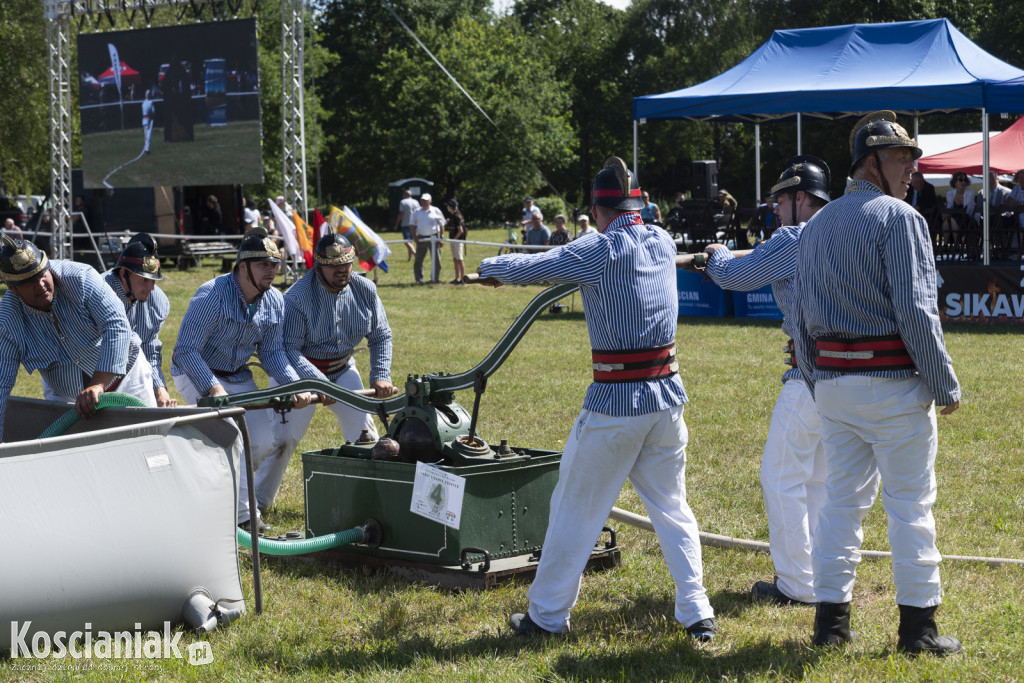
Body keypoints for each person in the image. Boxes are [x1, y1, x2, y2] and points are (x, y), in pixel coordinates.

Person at [477, 157, 716, 641]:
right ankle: (697, 612)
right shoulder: (662, 240)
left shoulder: (597, 249)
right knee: (673, 509)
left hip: (615, 405)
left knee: (574, 509)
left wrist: (491, 267)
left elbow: (540, 265)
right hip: (668, 400)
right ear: (639, 205)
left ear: (597, 209)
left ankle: (545, 617)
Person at [793, 111, 962, 656]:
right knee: (911, 505)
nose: (912, 168)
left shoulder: (816, 225)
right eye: (901, 158)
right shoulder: (900, 219)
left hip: (836, 384)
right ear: (871, 163)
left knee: (840, 505)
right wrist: (944, 383)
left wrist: (821, 382)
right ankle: (919, 632)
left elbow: (799, 316)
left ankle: (831, 626)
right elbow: (917, 313)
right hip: (892, 384)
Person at [680, 155, 832, 606]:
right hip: (848, 376)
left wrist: (715, 254)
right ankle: (823, 577)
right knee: (820, 481)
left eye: (781, 201)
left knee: (780, 476)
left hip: (809, 374)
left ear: (800, 197)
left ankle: (797, 586)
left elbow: (732, 276)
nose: (776, 211)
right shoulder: (845, 232)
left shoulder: (795, 236)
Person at [171, 227, 312, 532]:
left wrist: (293, 385)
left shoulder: (275, 301)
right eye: (265, 265)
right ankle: (242, 517)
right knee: (233, 440)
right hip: (196, 372)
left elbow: (273, 353)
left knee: (260, 442)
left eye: (275, 265)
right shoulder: (211, 295)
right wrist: (213, 387)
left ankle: (231, 507)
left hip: (237, 375)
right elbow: (185, 350)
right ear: (243, 266)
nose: (272, 271)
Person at [265, 234, 395, 508]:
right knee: (282, 441)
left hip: (342, 368)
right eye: (334, 265)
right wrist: (320, 384)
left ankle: (369, 499)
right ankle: (255, 506)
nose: (342, 270)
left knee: (366, 437)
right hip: (296, 375)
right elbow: (289, 349)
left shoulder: (365, 290)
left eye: (347, 263)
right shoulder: (297, 297)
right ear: (318, 266)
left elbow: (381, 335)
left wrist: (380, 374)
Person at [0, 236, 155, 442]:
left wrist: (98, 384)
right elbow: (2, 385)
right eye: (29, 281)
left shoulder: (81, 277)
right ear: (13, 289)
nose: (40, 284)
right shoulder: (7, 320)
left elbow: (117, 326)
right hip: (67, 399)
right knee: (72, 464)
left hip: (127, 378)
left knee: (149, 445)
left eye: (41, 274)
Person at [104, 233, 176, 408]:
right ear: (123, 274)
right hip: (89, 373)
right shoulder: (99, 291)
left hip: (130, 372)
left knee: (147, 421)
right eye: (144, 280)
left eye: (154, 280)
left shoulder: (158, 301)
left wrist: (159, 389)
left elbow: (150, 350)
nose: (151, 287)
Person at [412, 193, 445, 284]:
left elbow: (442, 225)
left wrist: (441, 238)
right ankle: (418, 279)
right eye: (422, 201)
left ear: (430, 201)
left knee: (436, 260)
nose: (424, 202)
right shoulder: (417, 211)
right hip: (421, 237)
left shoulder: (436, 210)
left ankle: (435, 278)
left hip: (434, 237)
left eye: (426, 201)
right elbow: (411, 225)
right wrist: (414, 236)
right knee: (418, 260)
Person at [939, 171, 975, 245]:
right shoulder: (950, 193)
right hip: (954, 216)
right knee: (947, 219)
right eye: (960, 180)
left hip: (968, 218)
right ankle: (945, 244)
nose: (963, 182)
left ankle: (956, 244)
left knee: (952, 218)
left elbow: (967, 210)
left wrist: (951, 213)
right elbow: (949, 207)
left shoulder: (970, 193)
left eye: (965, 180)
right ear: (955, 182)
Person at [445, 198, 467, 284]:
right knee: (455, 259)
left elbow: (460, 230)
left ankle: (462, 280)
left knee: (460, 260)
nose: (447, 207)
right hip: (454, 241)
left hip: (457, 241)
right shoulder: (453, 215)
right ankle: (457, 278)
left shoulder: (456, 216)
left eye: (448, 206)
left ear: (450, 206)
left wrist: (454, 240)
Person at [393, 189, 419, 261]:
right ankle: (409, 259)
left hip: (405, 224)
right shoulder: (416, 202)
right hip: (415, 224)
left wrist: (396, 224)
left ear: (405, 195)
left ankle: (415, 253)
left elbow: (401, 213)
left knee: (406, 242)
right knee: (410, 241)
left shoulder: (403, 202)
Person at [141, 89, 155, 154]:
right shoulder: (150, 102)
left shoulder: (143, 103)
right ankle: (147, 149)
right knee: (148, 135)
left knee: (146, 135)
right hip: (149, 120)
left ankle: (147, 148)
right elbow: (153, 111)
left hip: (144, 120)